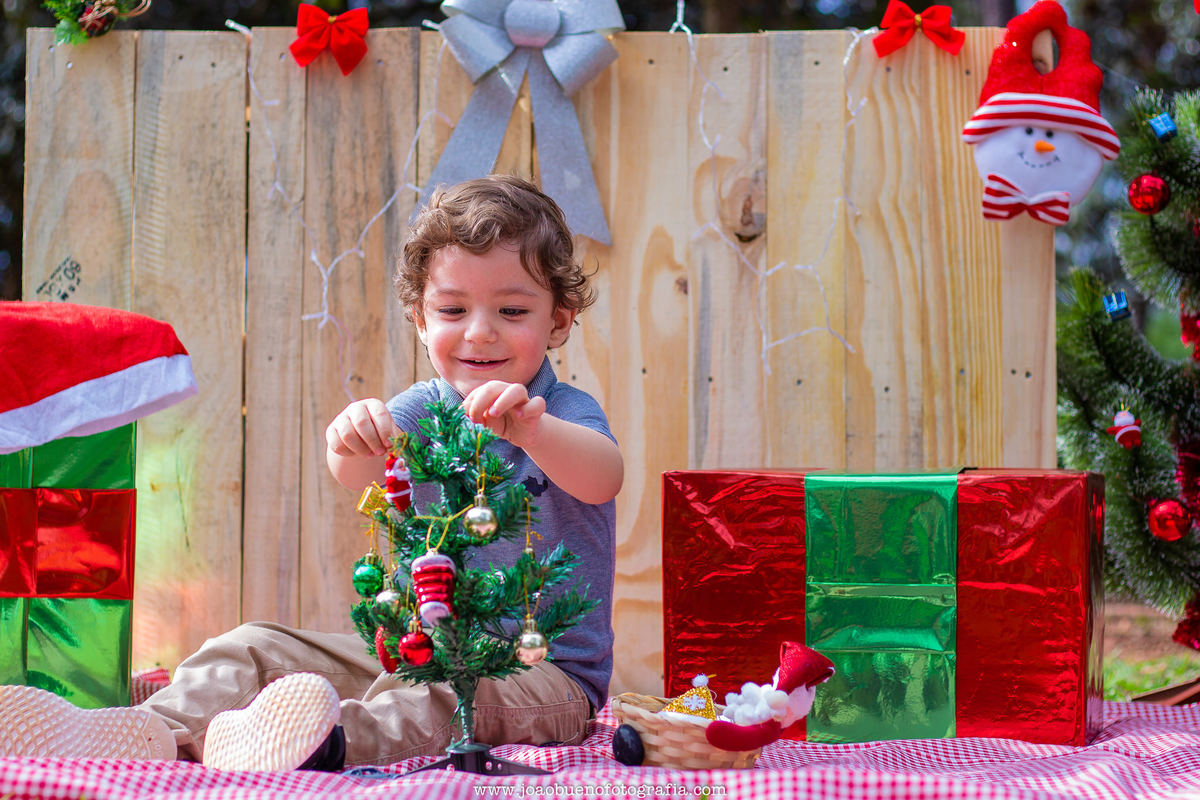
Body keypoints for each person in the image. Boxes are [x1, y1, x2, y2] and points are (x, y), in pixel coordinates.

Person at [0, 175, 623, 771]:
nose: (479, 332)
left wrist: (533, 431)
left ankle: (321, 741)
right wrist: (350, 435)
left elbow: (605, 477)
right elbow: (354, 473)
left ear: (559, 320)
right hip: (412, 650)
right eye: (453, 309)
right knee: (255, 645)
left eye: (512, 311)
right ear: (420, 319)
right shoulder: (425, 407)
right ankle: (148, 731)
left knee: (434, 701)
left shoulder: (563, 413)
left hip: (538, 676)